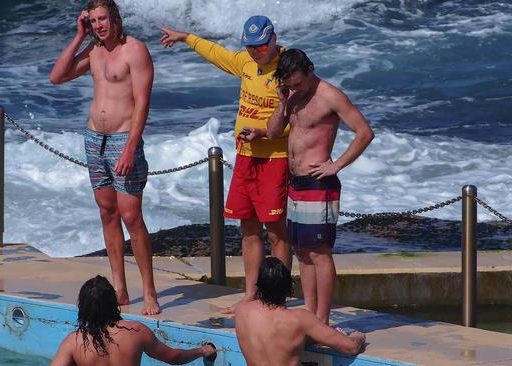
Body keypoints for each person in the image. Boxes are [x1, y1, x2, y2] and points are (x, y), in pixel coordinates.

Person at [159, 16, 292, 313]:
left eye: (259, 46)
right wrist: (186, 38)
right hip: (245, 156)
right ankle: (251, 294)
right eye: (250, 47)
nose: (254, 52)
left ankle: (279, 297)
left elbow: (299, 119)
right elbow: (218, 54)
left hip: (274, 158)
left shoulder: (288, 66)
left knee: (276, 231)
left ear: (273, 39)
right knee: (248, 226)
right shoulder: (246, 61)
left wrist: (264, 133)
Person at [49, 0, 160, 315]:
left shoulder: (134, 50)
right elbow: (56, 77)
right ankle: (120, 290)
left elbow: (142, 103)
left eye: (102, 19)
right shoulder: (93, 51)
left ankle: (149, 292)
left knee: (131, 216)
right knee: (107, 212)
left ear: (115, 18)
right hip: (94, 138)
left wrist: (129, 148)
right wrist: (78, 37)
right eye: (93, 20)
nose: (99, 25)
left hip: (124, 140)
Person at [267, 49, 374, 325]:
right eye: (289, 84)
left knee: (319, 252)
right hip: (295, 183)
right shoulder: (291, 96)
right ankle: (310, 314)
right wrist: (283, 103)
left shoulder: (330, 95)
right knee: (301, 251)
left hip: (318, 183)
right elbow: (273, 133)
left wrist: (335, 165)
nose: (295, 88)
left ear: (310, 69)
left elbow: (365, 133)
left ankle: (323, 319)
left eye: (298, 83)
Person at [50, 275, 217, 366]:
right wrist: (202, 351)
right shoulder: (136, 332)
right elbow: (173, 357)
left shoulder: (74, 341)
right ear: (113, 302)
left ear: (83, 307)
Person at [235, 257, 366, 365]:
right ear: (289, 287)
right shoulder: (300, 319)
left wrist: (315, 337)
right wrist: (357, 337)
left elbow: (272, 338)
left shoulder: (242, 311)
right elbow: (351, 347)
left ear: (259, 286)